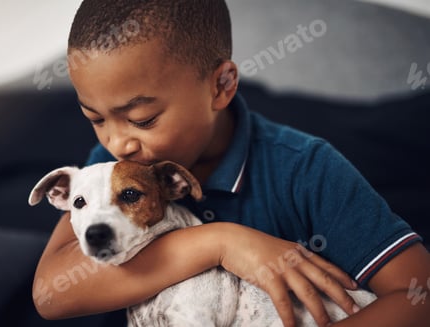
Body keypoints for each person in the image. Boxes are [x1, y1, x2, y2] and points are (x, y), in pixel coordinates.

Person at [33, 1, 430, 326]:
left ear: (221, 86)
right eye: (96, 119)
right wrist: (222, 242)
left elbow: (419, 293)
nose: (117, 142)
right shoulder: (116, 164)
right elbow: (51, 294)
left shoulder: (306, 169)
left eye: (142, 120)